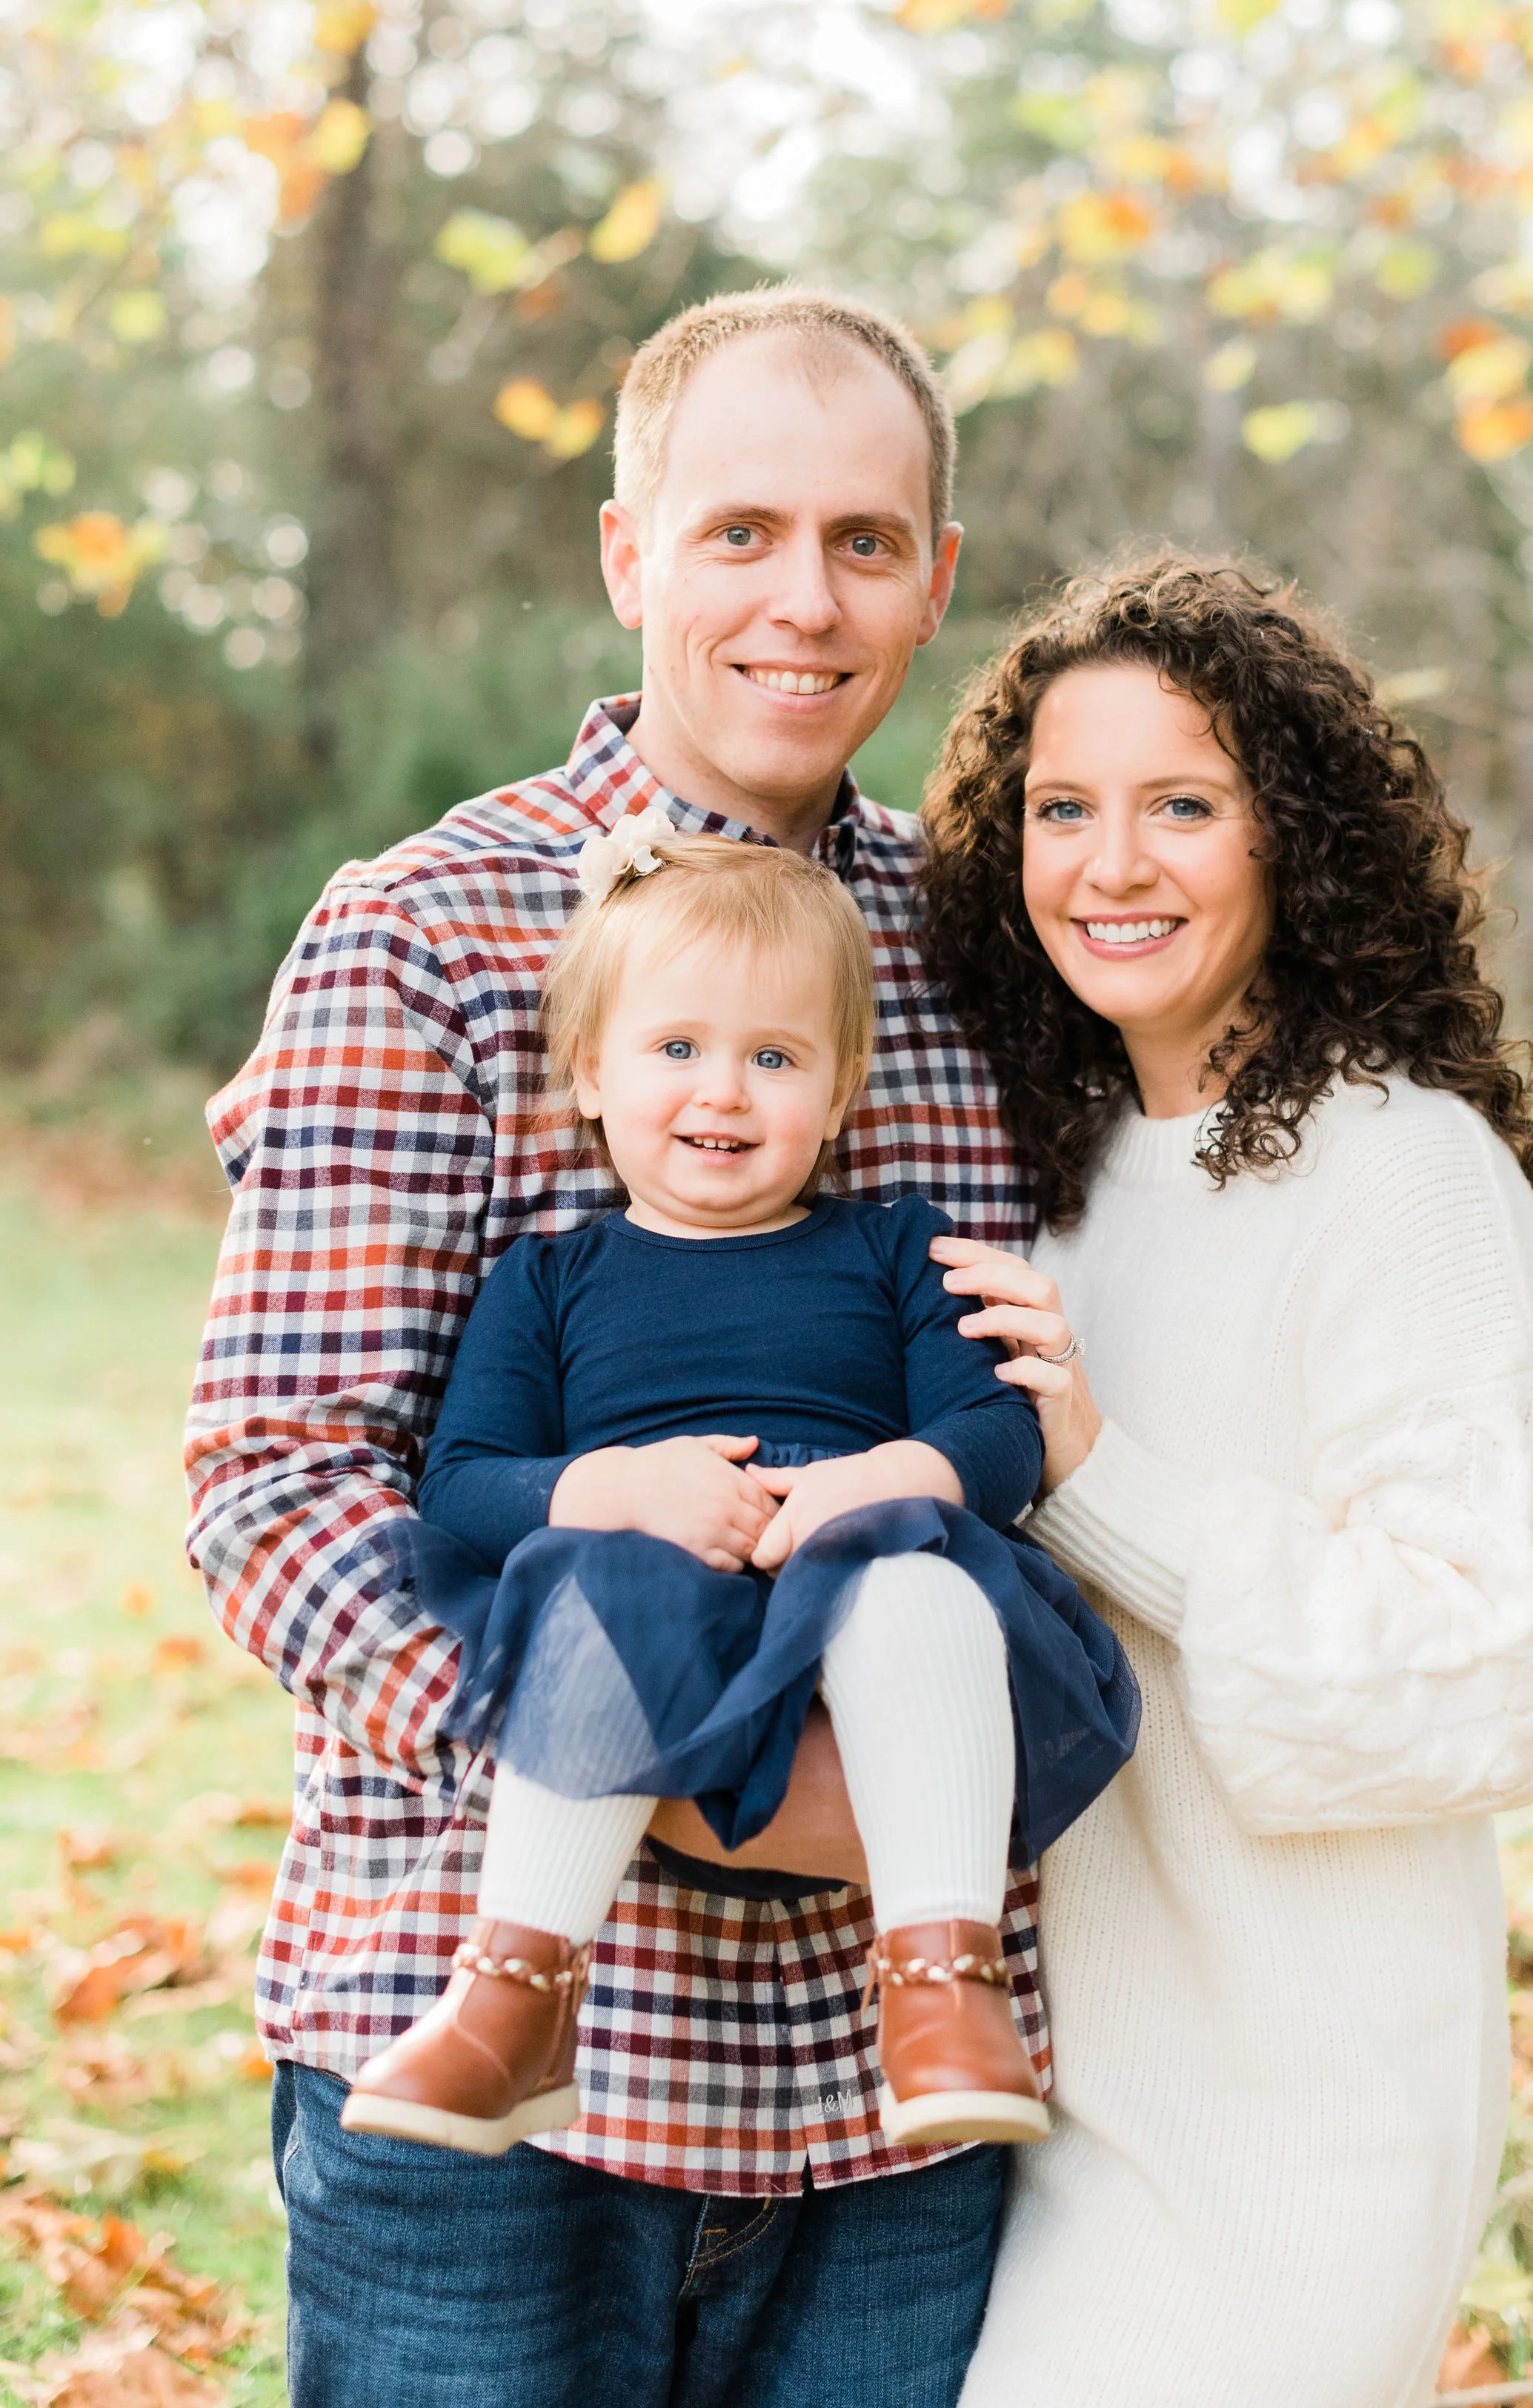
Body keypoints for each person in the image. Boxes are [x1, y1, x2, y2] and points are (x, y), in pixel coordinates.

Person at [183, 288, 1049, 2408]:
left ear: (935, 582)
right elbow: (280, 1489)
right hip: (491, 2079)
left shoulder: (990, 963)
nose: (802, 598)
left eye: (865, 542)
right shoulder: (433, 932)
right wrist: (681, 1780)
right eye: (738, 528)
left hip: (900, 2110)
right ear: (626, 552)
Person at [917, 553, 1533, 2408]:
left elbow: (1491, 1660)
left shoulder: (1398, 1175)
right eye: (1062, 808)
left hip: (1305, 2122)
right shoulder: (1049, 1174)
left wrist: (1091, 1476)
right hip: (1057, 2098)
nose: (1109, 866)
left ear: (1292, 836)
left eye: (1182, 807)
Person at [338, 832, 1134, 2157]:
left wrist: (890, 1476)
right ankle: (513, 2003)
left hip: (861, 1582)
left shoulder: (896, 1245)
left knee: (915, 1587)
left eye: (773, 1058)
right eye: (675, 1050)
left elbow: (995, 1434)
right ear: (590, 1074)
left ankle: (942, 1986)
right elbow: (465, 1484)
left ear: (838, 1094)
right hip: (661, 1605)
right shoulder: (548, 1280)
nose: (724, 1091)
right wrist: (613, 1488)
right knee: (595, 1596)